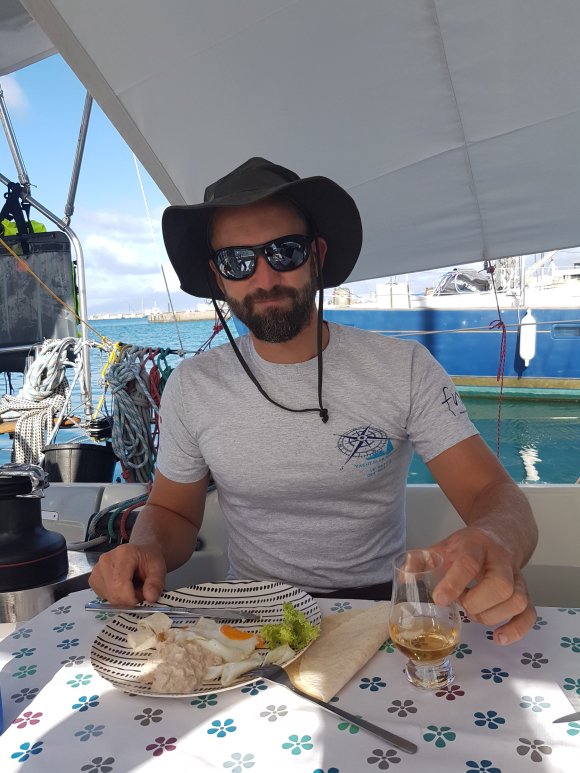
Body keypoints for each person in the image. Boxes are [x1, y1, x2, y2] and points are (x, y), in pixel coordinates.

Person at [89, 157, 538, 645]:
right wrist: (146, 548)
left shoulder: (404, 368)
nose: (264, 279)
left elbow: (491, 493)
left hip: (374, 612)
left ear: (317, 256)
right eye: (237, 261)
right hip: (249, 617)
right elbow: (173, 513)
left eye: (285, 252)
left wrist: (497, 539)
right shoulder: (192, 386)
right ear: (218, 277)